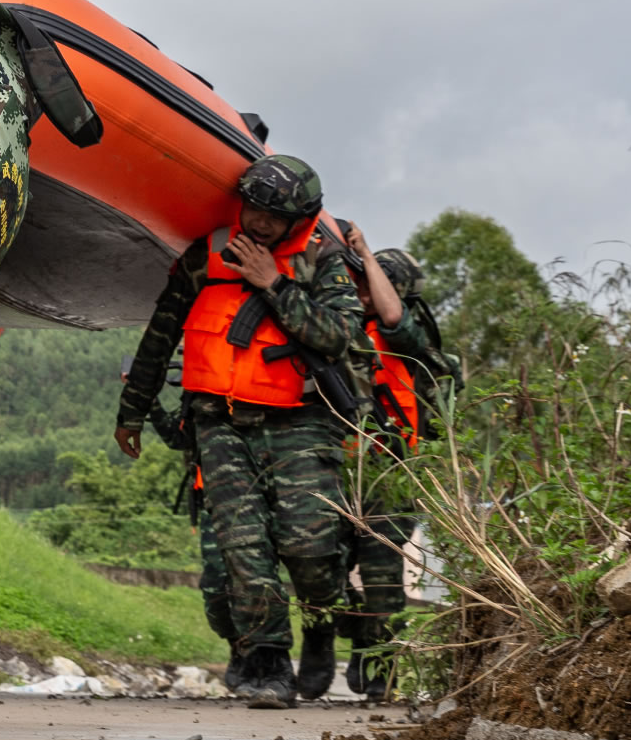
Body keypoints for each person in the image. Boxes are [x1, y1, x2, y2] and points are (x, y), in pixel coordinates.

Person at [114, 155, 366, 709]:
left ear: (300, 221)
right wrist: (132, 410)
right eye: (254, 208)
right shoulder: (205, 255)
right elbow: (160, 337)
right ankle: (268, 662)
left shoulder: (321, 262)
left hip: (300, 423)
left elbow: (337, 336)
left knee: (312, 545)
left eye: (275, 218)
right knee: (242, 548)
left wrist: (273, 283)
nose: (259, 223)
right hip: (220, 421)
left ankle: (322, 624)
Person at [335, 244, 453, 703]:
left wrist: (364, 252)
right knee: (321, 566)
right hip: (337, 464)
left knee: (383, 575)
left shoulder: (408, 333)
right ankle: (361, 638)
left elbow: (396, 321)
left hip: (391, 465)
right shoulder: (338, 323)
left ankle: (381, 665)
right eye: (358, 281)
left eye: (371, 282)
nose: (362, 292)